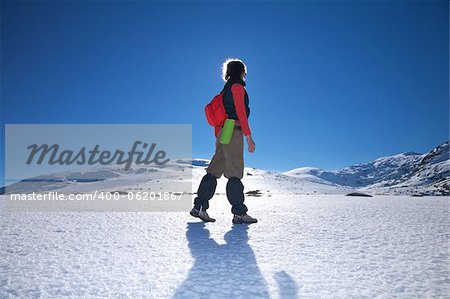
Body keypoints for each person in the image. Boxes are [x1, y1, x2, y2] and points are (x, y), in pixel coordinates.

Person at [190, 58, 257, 224]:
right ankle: (239, 213)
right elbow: (240, 112)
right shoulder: (237, 87)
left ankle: (200, 207)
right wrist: (249, 137)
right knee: (234, 171)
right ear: (241, 72)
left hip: (224, 130)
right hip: (234, 129)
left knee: (214, 169)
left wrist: (220, 137)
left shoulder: (225, 89)